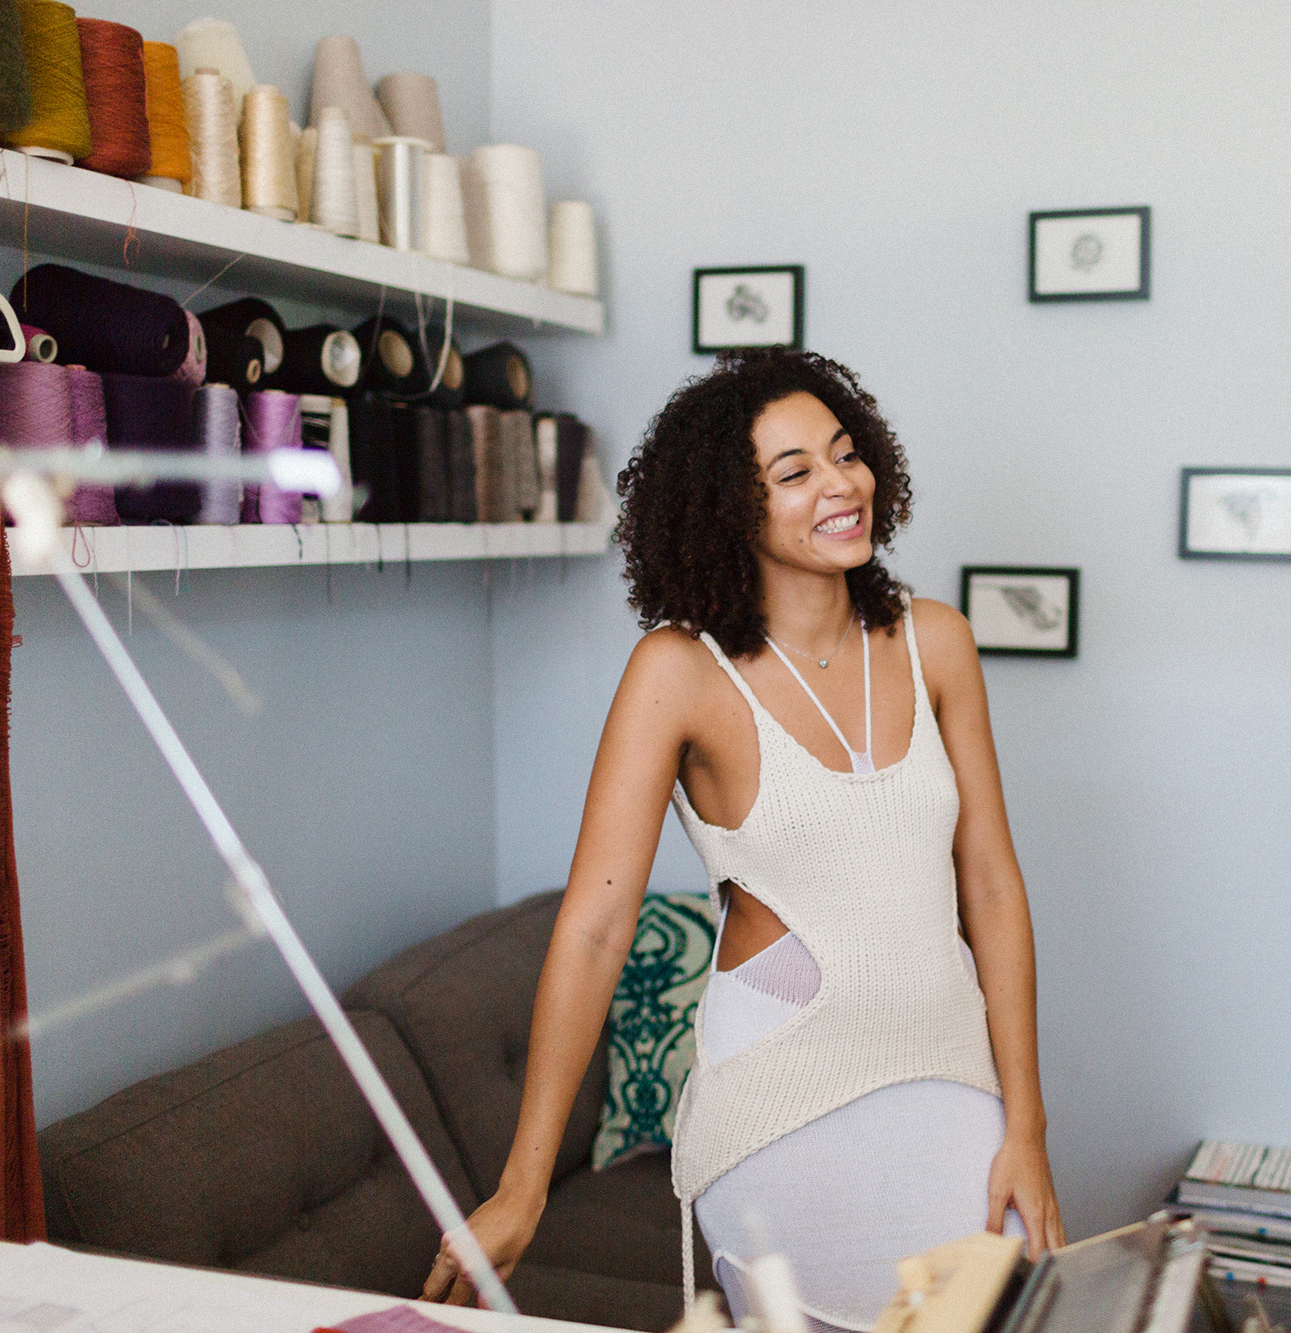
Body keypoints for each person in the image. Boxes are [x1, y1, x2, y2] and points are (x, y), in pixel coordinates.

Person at [423, 349, 1064, 1330]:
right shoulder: (677, 673)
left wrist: (1026, 1120)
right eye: (794, 472)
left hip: (950, 1079)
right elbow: (596, 930)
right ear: (731, 508)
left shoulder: (937, 641)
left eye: (844, 454)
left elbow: (989, 888)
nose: (839, 484)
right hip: (780, 1113)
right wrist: (522, 1185)